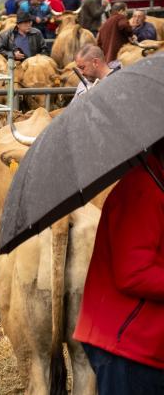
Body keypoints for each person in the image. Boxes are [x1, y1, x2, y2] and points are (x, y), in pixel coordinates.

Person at [73, 137, 164, 395]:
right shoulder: (142, 189)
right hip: (127, 345)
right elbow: (134, 273)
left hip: (143, 343)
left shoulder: (156, 184)